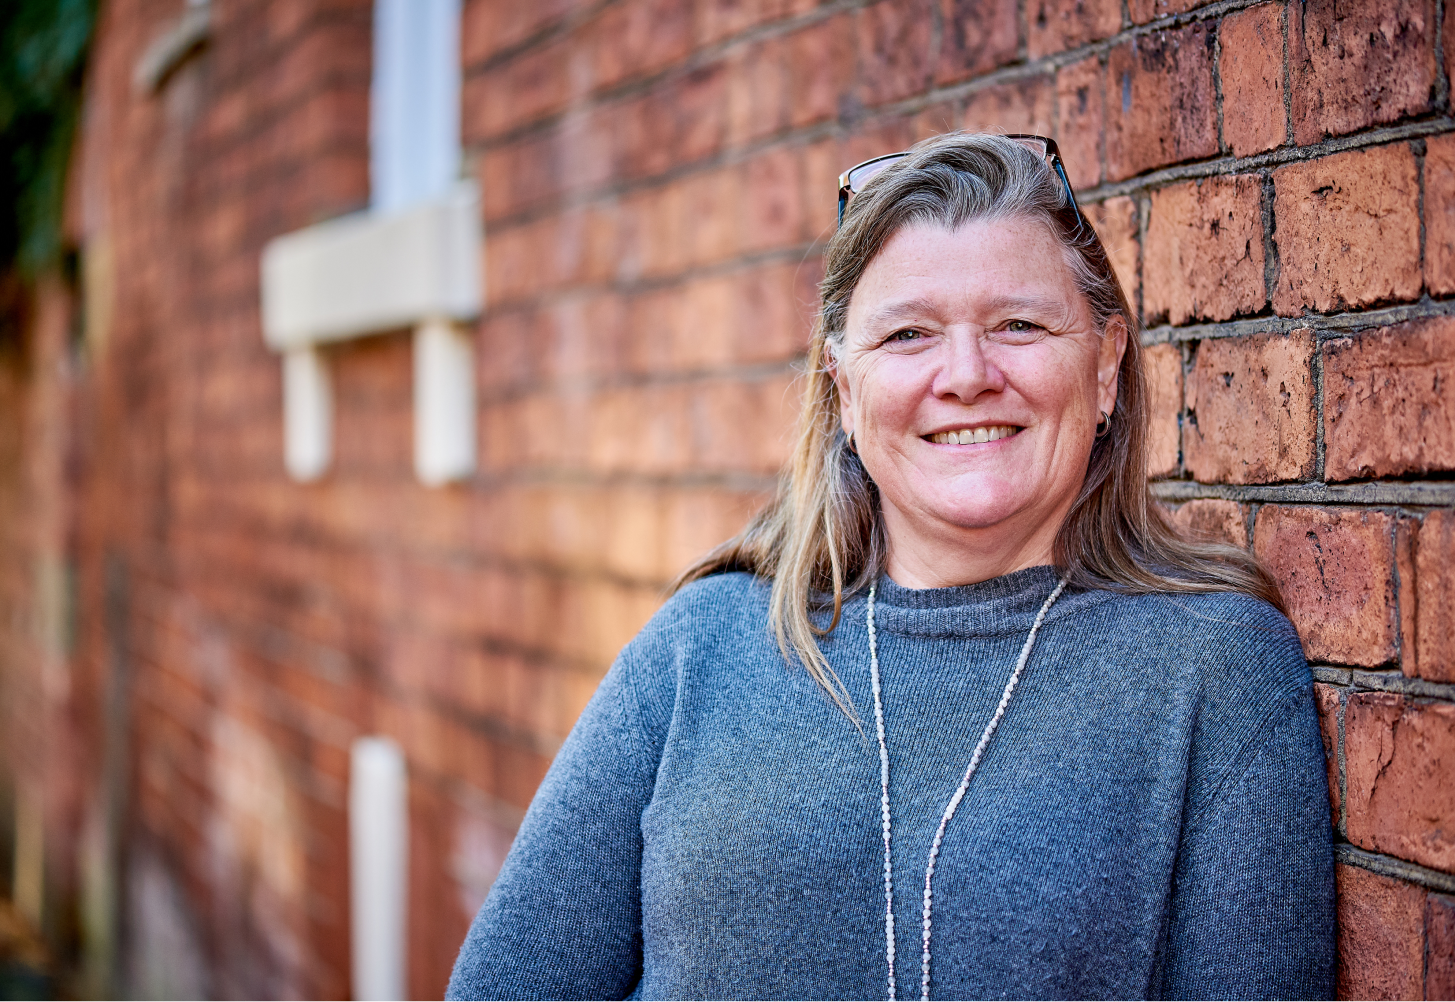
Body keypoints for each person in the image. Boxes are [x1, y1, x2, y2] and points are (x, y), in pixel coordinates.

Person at [445, 132, 1335, 1001]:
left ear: (1105, 367)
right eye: (908, 335)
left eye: (1018, 324)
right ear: (842, 389)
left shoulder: (1214, 670)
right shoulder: (701, 647)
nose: (966, 374)